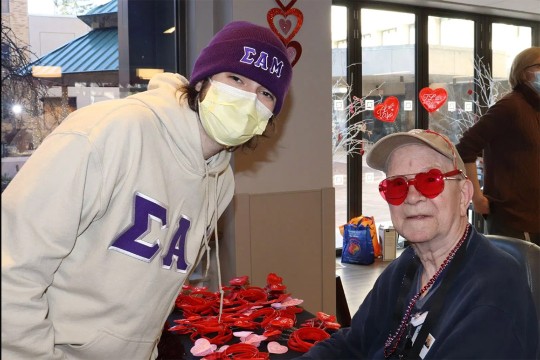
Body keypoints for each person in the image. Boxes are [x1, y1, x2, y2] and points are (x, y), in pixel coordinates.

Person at [1, 21, 292, 359]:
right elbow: (12, 268)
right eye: (236, 79)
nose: (248, 99)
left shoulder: (220, 179)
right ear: (203, 82)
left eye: (266, 93)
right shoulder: (110, 131)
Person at [296, 129, 538, 359]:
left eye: (430, 181)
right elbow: (354, 342)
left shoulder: (495, 293)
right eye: (397, 186)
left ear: (464, 195)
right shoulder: (407, 265)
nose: (412, 197)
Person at [456, 46, 540, 245]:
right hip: (512, 219)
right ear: (523, 73)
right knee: (514, 275)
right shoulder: (510, 106)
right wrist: (476, 197)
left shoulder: (535, 108)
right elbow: (465, 148)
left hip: (534, 217)